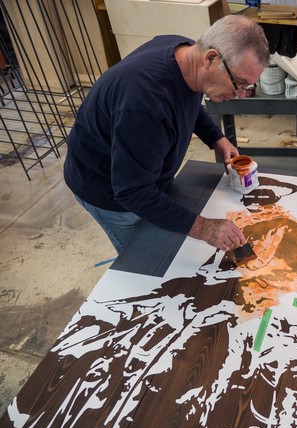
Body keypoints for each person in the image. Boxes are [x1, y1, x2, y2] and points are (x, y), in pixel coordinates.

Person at [63, 15, 270, 254]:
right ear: (210, 58)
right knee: (145, 259)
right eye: (239, 83)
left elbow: (188, 102)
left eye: (248, 87)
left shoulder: (185, 53)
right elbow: (132, 191)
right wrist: (203, 228)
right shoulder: (144, 104)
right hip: (107, 188)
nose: (241, 95)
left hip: (138, 171)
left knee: (165, 234)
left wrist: (217, 139)